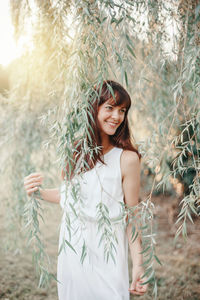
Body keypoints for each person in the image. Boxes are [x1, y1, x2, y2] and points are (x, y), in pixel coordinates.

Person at [24, 80, 148, 300]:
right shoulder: (75, 152)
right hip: (73, 246)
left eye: (122, 110)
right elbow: (71, 198)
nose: (117, 117)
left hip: (107, 250)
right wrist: (38, 192)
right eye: (109, 107)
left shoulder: (127, 159)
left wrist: (138, 264)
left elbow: (133, 216)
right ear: (94, 109)